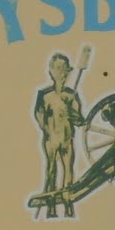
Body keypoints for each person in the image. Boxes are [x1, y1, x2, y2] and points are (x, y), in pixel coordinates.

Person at [34, 52, 85, 217]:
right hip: (51, 140)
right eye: (57, 68)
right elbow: (39, 114)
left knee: (68, 172)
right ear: (51, 71)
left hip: (67, 139)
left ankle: (68, 204)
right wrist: (47, 129)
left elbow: (79, 119)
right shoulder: (44, 95)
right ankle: (51, 207)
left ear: (68, 71)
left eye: (63, 69)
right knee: (51, 172)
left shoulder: (71, 95)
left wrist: (75, 115)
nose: (60, 72)